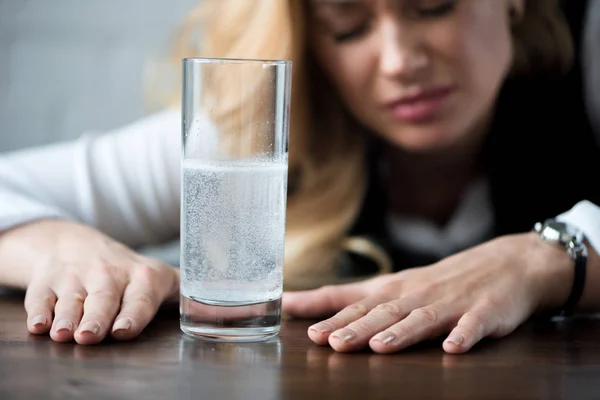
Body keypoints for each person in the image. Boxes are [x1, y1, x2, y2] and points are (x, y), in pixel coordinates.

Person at [1, 0, 600, 354]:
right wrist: (68, 248)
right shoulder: (250, 136)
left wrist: (543, 259)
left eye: (433, 5)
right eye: (348, 25)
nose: (399, 61)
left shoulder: (589, 69)